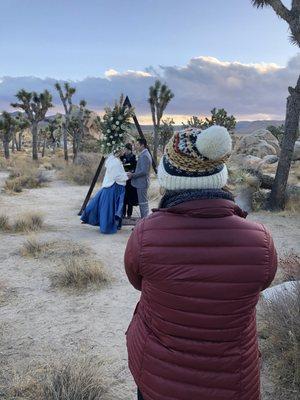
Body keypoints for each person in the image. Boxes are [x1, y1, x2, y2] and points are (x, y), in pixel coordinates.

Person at [124, 126, 277, 400]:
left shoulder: (145, 234)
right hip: (234, 382)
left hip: (160, 378)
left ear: (169, 178)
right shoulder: (261, 241)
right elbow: (262, 282)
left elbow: (137, 281)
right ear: (220, 177)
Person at [80, 150, 128, 234]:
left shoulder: (112, 159)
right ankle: (106, 226)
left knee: (98, 204)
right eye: (122, 149)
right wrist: (127, 176)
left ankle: (93, 219)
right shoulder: (115, 162)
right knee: (109, 208)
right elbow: (116, 176)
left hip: (109, 185)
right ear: (119, 151)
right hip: (113, 186)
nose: (124, 151)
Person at [127, 138, 152, 219]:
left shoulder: (144, 155)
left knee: (143, 203)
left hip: (142, 183)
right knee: (142, 203)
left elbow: (144, 171)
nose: (136, 146)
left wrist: (132, 175)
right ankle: (144, 221)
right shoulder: (144, 154)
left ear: (142, 145)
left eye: (138, 145)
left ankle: (144, 221)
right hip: (141, 182)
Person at [120, 143, 138, 218]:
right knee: (123, 197)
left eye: (127, 149)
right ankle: (123, 213)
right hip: (123, 179)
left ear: (130, 150)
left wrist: (131, 172)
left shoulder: (134, 157)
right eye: (125, 149)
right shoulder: (122, 157)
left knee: (130, 197)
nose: (126, 151)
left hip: (131, 179)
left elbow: (136, 167)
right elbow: (120, 166)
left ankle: (129, 214)